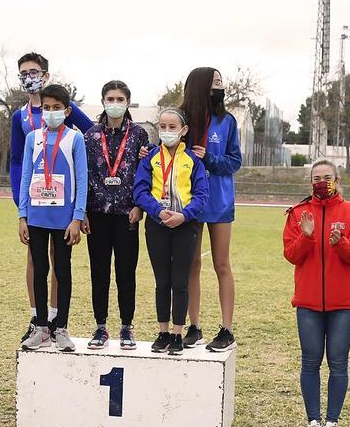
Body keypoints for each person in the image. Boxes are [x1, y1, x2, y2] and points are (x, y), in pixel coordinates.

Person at [283, 160, 350, 427]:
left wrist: (340, 242)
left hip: (343, 302)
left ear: (337, 179)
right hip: (308, 301)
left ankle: (332, 423)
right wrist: (306, 237)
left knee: (338, 362)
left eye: (327, 177)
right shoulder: (297, 213)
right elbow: (291, 255)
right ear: (310, 182)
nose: (322, 182)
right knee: (310, 360)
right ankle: (312, 421)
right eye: (317, 178)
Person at [9, 52, 94, 341]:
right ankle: (39, 321)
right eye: (24, 72)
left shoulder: (73, 132)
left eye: (34, 71)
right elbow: (19, 163)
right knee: (36, 264)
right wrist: (22, 208)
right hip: (35, 207)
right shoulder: (22, 119)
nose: (28, 77)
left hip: (64, 210)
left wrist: (78, 214)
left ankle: (60, 323)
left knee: (61, 266)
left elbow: (92, 135)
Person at [133, 108, 208, 355]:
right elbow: (140, 191)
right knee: (162, 281)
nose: (166, 131)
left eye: (172, 127)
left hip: (185, 226)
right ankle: (163, 332)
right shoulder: (150, 158)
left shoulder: (194, 161)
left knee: (180, 282)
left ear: (183, 130)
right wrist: (157, 212)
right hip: (157, 225)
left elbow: (201, 195)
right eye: (162, 127)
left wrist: (184, 215)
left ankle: (178, 333)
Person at [180, 67, 242, 352]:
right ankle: (194, 327)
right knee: (191, 264)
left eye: (221, 82)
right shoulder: (182, 119)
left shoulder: (226, 120)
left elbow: (235, 162)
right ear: (201, 86)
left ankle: (227, 329)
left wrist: (211, 158)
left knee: (221, 264)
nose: (220, 87)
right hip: (189, 202)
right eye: (215, 82)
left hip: (219, 202)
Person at [83, 80, 149, 350]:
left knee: (126, 272)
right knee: (99, 272)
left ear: (127, 102)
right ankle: (100, 326)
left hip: (127, 214)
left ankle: (126, 326)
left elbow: (146, 172)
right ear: (103, 102)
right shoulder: (89, 135)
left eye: (120, 99)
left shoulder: (139, 135)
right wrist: (83, 211)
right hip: (97, 212)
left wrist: (140, 206)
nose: (115, 103)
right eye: (110, 98)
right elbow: (83, 174)